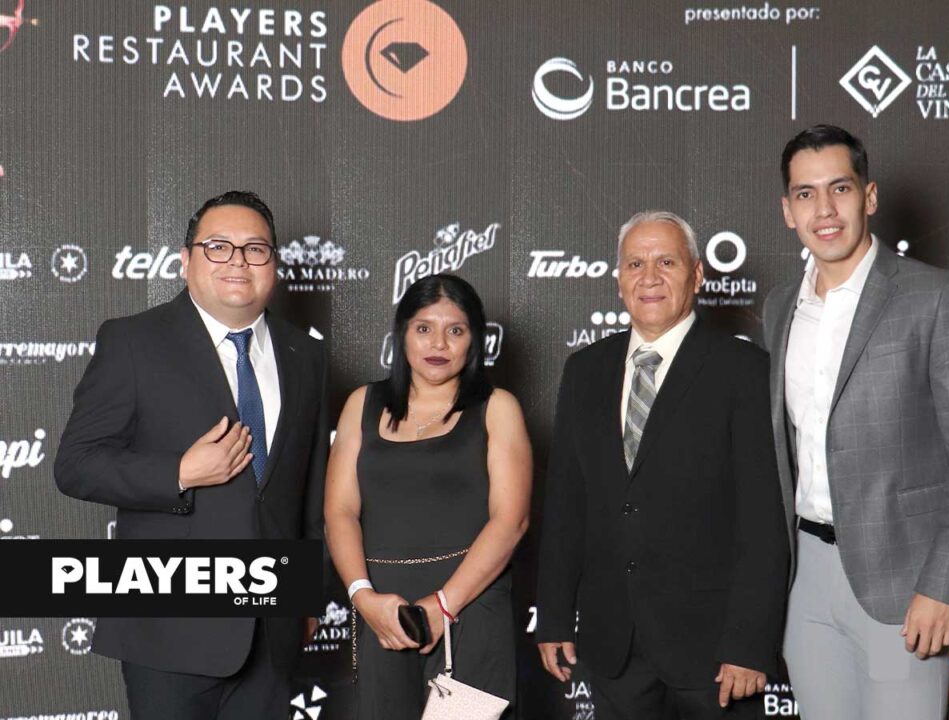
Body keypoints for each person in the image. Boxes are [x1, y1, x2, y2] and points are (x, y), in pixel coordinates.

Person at [55, 190, 330, 720]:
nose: (238, 262)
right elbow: (75, 465)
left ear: (274, 265)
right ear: (185, 260)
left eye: (255, 249)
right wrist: (178, 472)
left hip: (273, 635)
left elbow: (309, 494)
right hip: (168, 632)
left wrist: (306, 594)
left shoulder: (306, 355)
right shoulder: (133, 341)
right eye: (218, 247)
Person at [763, 125, 949, 719]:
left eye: (840, 188)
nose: (824, 209)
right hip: (803, 581)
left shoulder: (935, 295)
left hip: (904, 584)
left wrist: (943, 583)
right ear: (788, 210)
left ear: (869, 197)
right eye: (805, 194)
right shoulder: (779, 307)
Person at [535, 211, 789, 719]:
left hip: (715, 652)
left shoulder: (743, 369)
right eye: (635, 264)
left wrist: (748, 641)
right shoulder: (585, 371)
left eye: (666, 262)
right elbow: (567, 504)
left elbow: (764, 517)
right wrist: (555, 615)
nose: (649, 277)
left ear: (697, 275)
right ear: (619, 280)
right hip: (614, 644)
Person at [324, 273, 531, 719]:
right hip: (383, 614)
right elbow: (339, 512)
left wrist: (443, 606)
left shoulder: (497, 408)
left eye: (455, 330)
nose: (439, 343)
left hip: (471, 609)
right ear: (402, 334)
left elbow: (511, 521)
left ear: (474, 340)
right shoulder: (362, 403)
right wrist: (362, 597)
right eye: (424, 328)